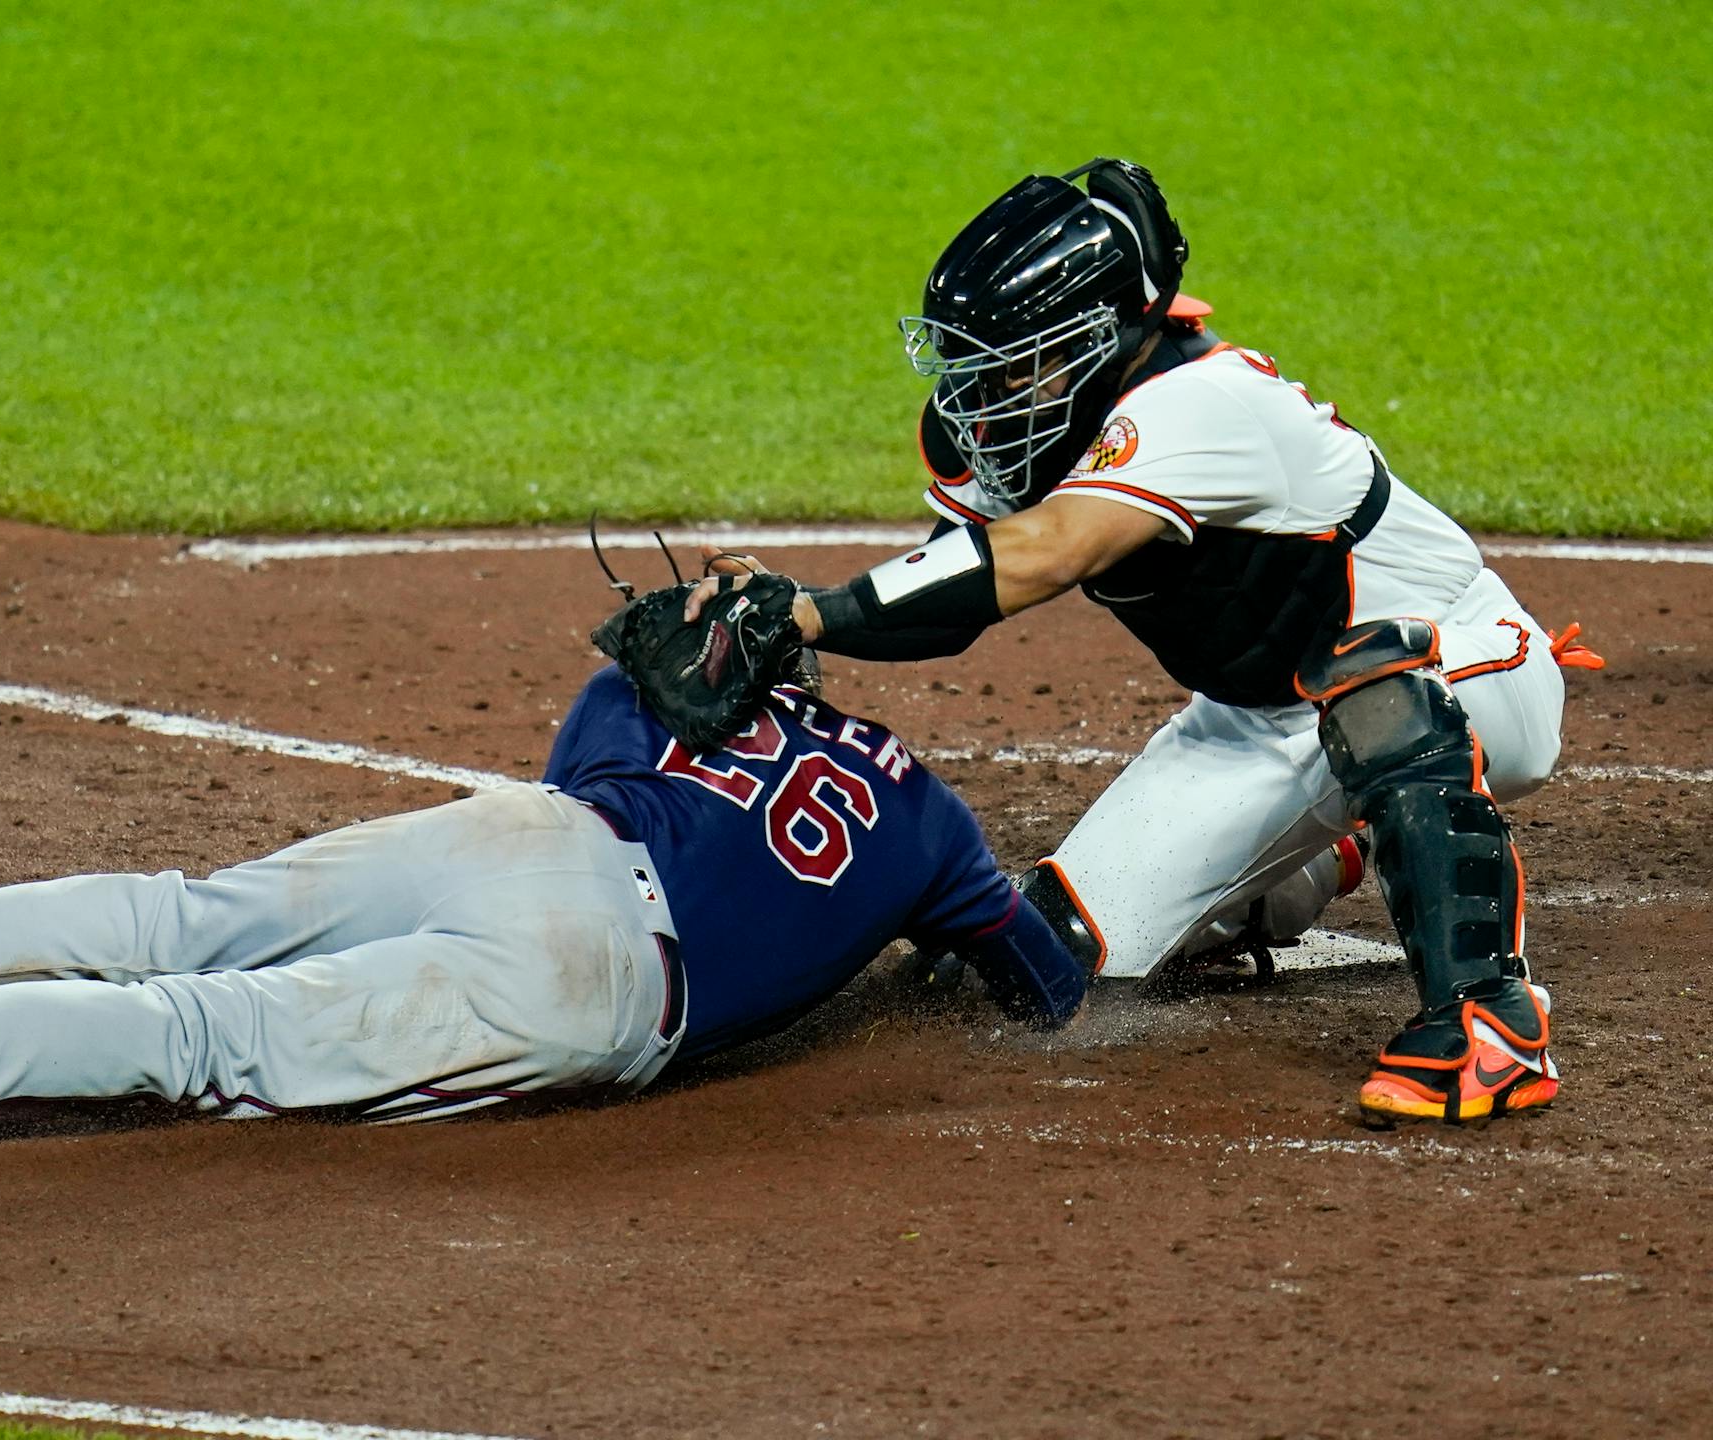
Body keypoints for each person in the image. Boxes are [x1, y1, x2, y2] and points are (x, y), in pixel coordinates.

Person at [686, 159, 1601, 1126]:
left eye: (1010, 362)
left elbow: (1045, 552)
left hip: (1462, 665)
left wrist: (815, 611)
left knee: (1371, 686)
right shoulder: (1035, 425)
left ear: (1099, 337)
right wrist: (783, 605)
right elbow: (957, 588)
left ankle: (1488, 1025)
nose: (982, 391)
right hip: (1256, 721)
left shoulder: (1203, 404)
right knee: (1040, 959)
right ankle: (1313, 859)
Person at [0, 654, 1083, 1133]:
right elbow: (1041, 982)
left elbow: (590, 742)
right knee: (199, 1034)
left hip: (528, 841)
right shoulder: (934, 823)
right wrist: (945, 948)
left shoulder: (686, 697)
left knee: (167, 916)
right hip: (591, 984)